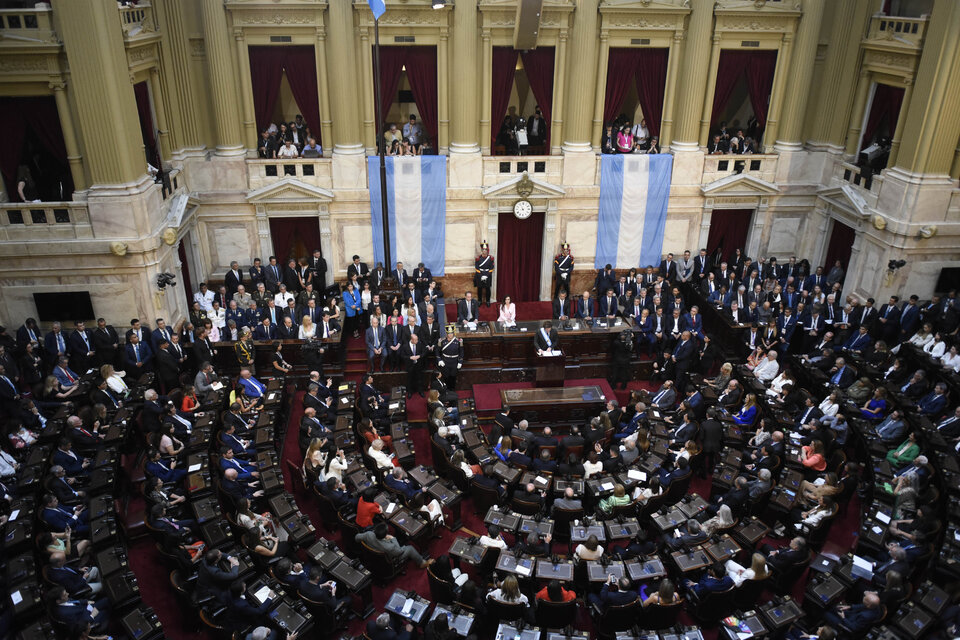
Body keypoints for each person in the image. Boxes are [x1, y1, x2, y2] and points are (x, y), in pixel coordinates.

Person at [357, 522, 432, 568]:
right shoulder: (390, 547)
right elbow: (399, 551)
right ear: (385, 535)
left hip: (373, 555)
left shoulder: (368, 534)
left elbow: (356, 537)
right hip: (391, 560)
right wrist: (393, 538)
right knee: (410, 548)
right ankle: (422, 563)